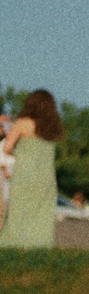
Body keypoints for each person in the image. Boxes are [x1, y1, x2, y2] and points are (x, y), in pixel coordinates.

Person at [0, 90, 63, 249]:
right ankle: (39, 245)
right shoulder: (52, 129)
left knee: (19, 210)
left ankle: (15, 244)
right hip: (46, 176)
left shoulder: (22, 123)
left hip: (25, 173)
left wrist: (19, 155)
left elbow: (7, 147)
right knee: (42, 212)